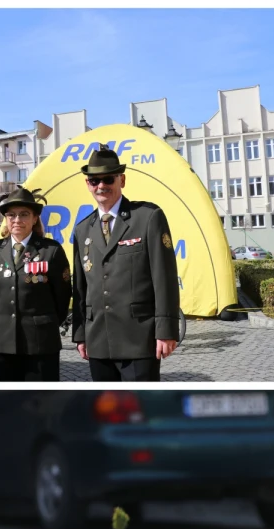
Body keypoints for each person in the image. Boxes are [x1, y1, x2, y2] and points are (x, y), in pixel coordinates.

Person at [71, 148, 181, 381]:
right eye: (94, 181)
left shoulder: (147, 217)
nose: (101, 186)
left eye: (108, 179)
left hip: (139, 337)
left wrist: (166, 330)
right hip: (98, 339)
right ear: (87, 184)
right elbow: (80, 288)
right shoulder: (83, 230)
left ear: (122, 179)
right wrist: (80, 334)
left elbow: (165, 279)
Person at [0, 188, 70, 381]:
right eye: (11, 215)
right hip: (3, 339)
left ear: (35, 218)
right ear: (5, 219)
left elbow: (62, 297)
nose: (17, 220)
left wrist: (45, 323)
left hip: (40, 340)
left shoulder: (51, 251)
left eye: (24, 214)